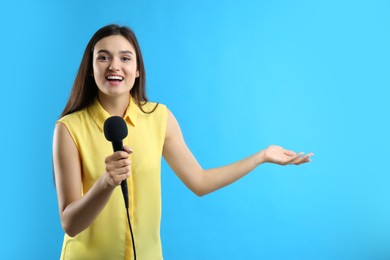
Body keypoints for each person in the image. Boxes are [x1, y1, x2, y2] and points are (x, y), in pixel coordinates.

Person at [52, 24, 313, 260]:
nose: (114, 66)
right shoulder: (69, 129)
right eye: (103, 57)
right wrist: (106, 184)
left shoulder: (159, 118)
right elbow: (70, 224)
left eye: (125, 58)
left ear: (138, 70)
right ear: (90, 68)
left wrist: (262, 156)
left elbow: (199, 181)